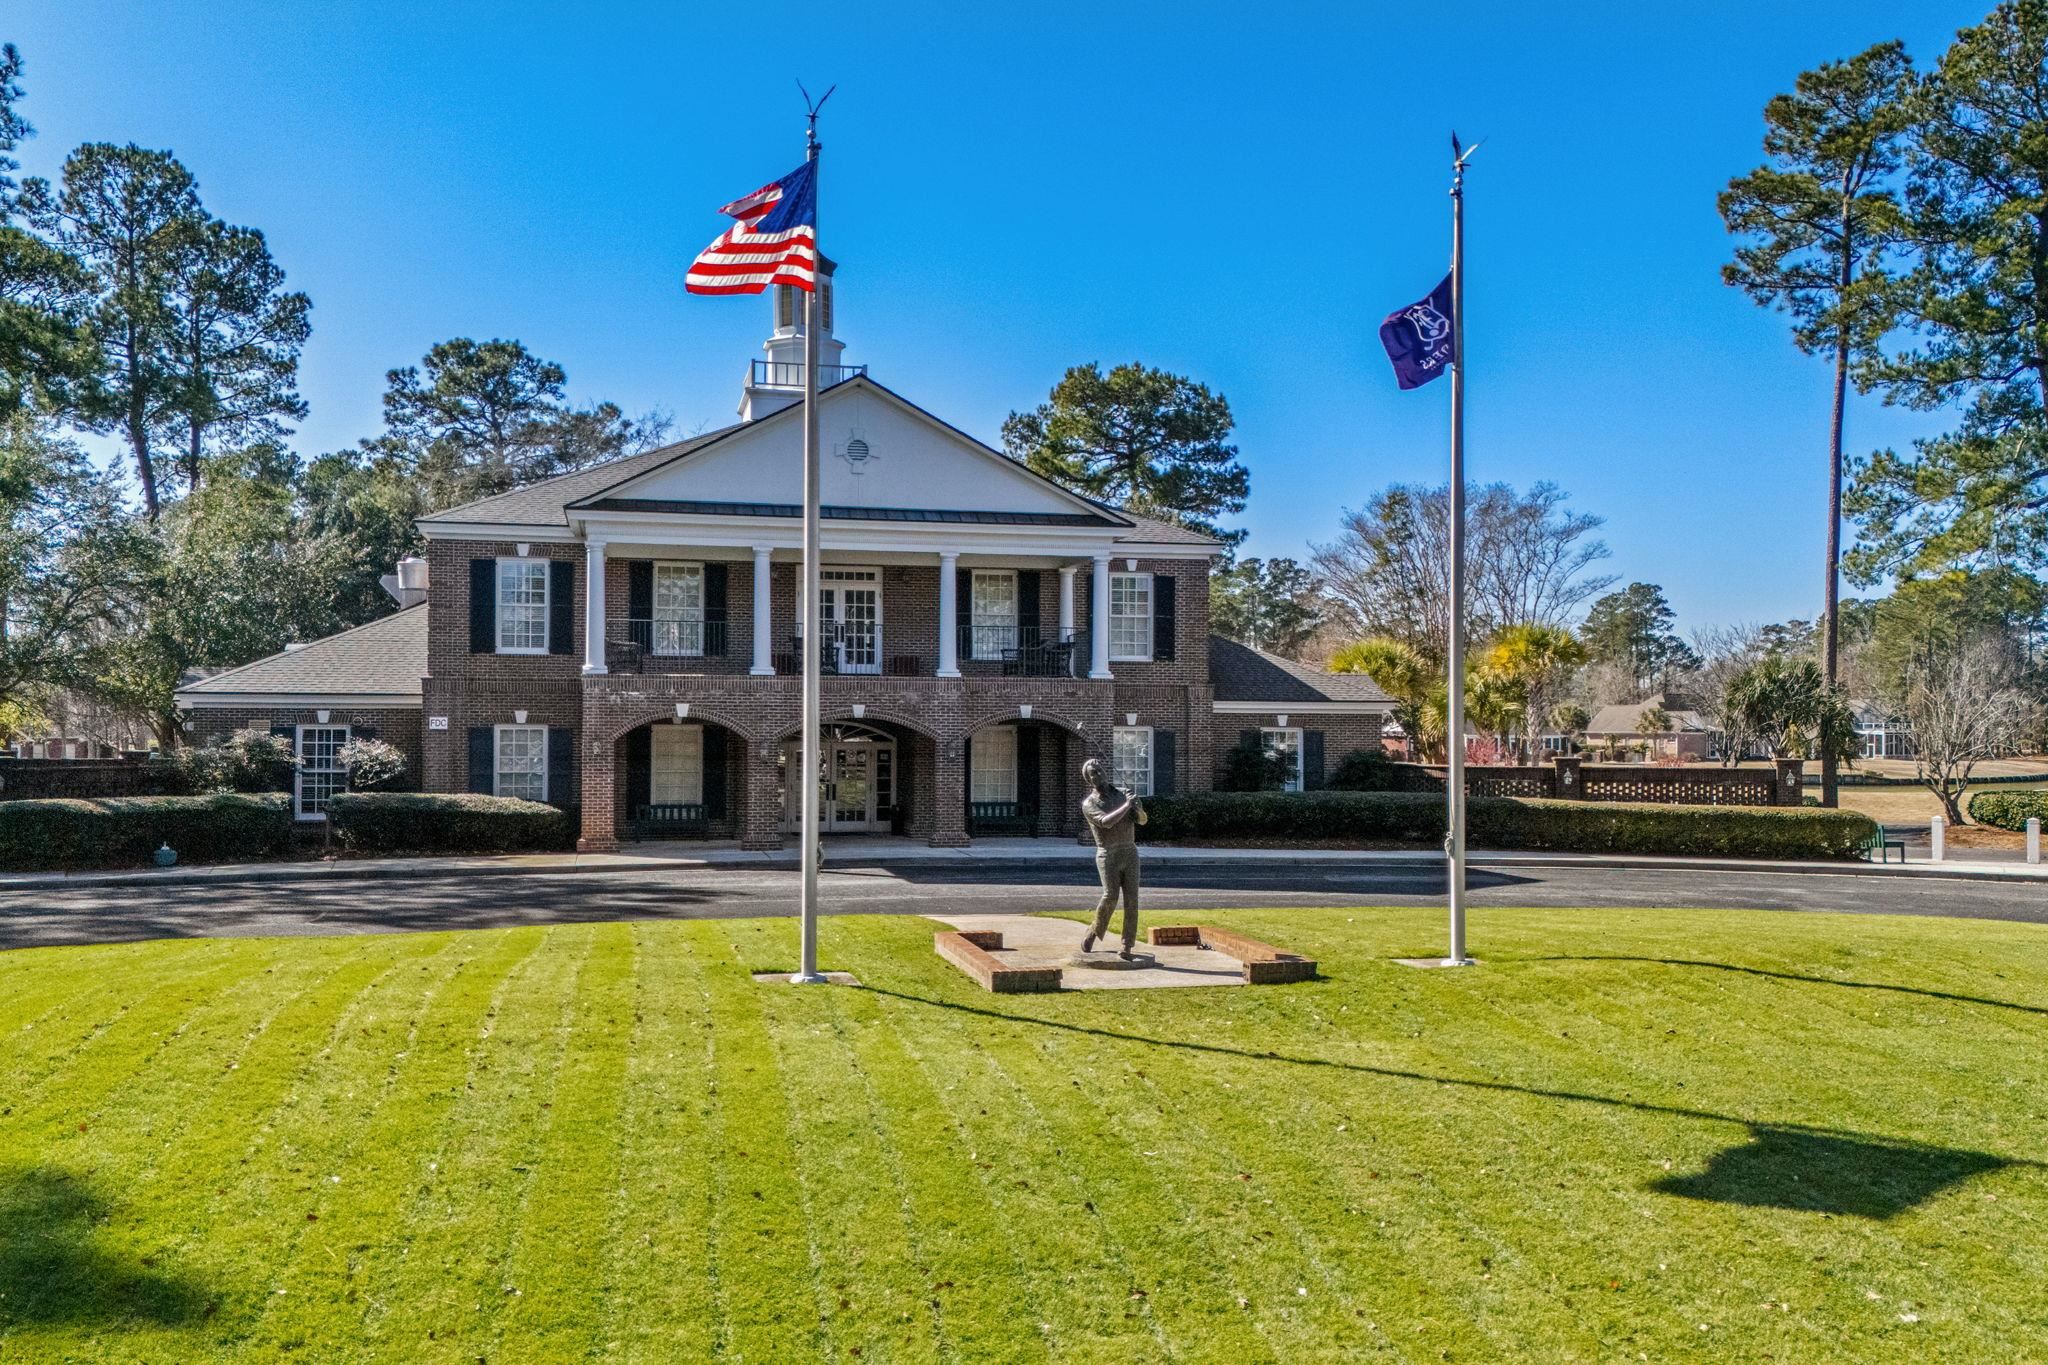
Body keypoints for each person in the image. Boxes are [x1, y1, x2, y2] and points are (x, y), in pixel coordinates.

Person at [1079, 756, 1145, 957]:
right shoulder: (1089, 803)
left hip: (1129, 851)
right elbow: (1106, 822)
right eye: (1094, 774)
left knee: (1132, 899)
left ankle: (1127, 944)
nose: (1099, 774)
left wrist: (1137, 807)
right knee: (1110, 896)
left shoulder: (1124, 794)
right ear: (1089, 780)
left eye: (1100, 770)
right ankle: (1093, 931)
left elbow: (1142, 820)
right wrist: (1126, 806)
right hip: (1108, 853)